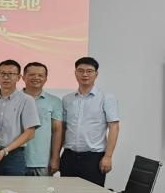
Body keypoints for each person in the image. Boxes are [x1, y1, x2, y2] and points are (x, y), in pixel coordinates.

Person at [61, 57, 120, 186]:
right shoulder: (67, 99)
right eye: (80, 71)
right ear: (75, 73)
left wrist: (108, 157)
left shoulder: (106, 98)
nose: (85, 74)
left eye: (89, 71)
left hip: (94, 158)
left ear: (96, 74)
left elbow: (114, 127)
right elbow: (63, 128)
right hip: (69, 156)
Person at [0, 59, 40, 176]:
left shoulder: (26, 100)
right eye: (2, 73)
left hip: (13, 155)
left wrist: (5, 151)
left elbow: (30, 132)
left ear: (18, 77)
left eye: (11, 74)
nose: (6, 77)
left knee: (14, 187)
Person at [22, 62, 63, 176]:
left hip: (42, 161)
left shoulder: (54, 101)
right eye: (32, 74)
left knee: (41, 188)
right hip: (16, 159)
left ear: (45, 79)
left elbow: (57, 131)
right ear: (23, 77)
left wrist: (55, 158)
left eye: (40, 75)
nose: (36, 78)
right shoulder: (15, 99)